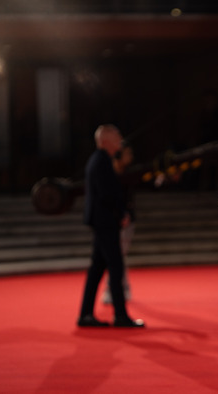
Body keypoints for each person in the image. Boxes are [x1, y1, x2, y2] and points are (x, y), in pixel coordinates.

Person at [77, 124, 144, 328]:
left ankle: (86, 314)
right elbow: (107, 193)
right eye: (117, 136)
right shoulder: (102, 161)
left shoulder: (100, 160)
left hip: (102, 220)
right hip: (106, 221)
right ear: (106, 140)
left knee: (97, 268)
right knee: (115, 267)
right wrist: (121, 212)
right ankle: (120, 315)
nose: (121, 140)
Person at [102, 144, 135, 304]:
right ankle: (114, 288)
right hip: (113, 220)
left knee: (120, 256)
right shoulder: (109, 173)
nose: (130, 157)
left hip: (127, 219)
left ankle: (121, 287)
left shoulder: (128, 173)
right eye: (127, 154)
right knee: (115, 257)